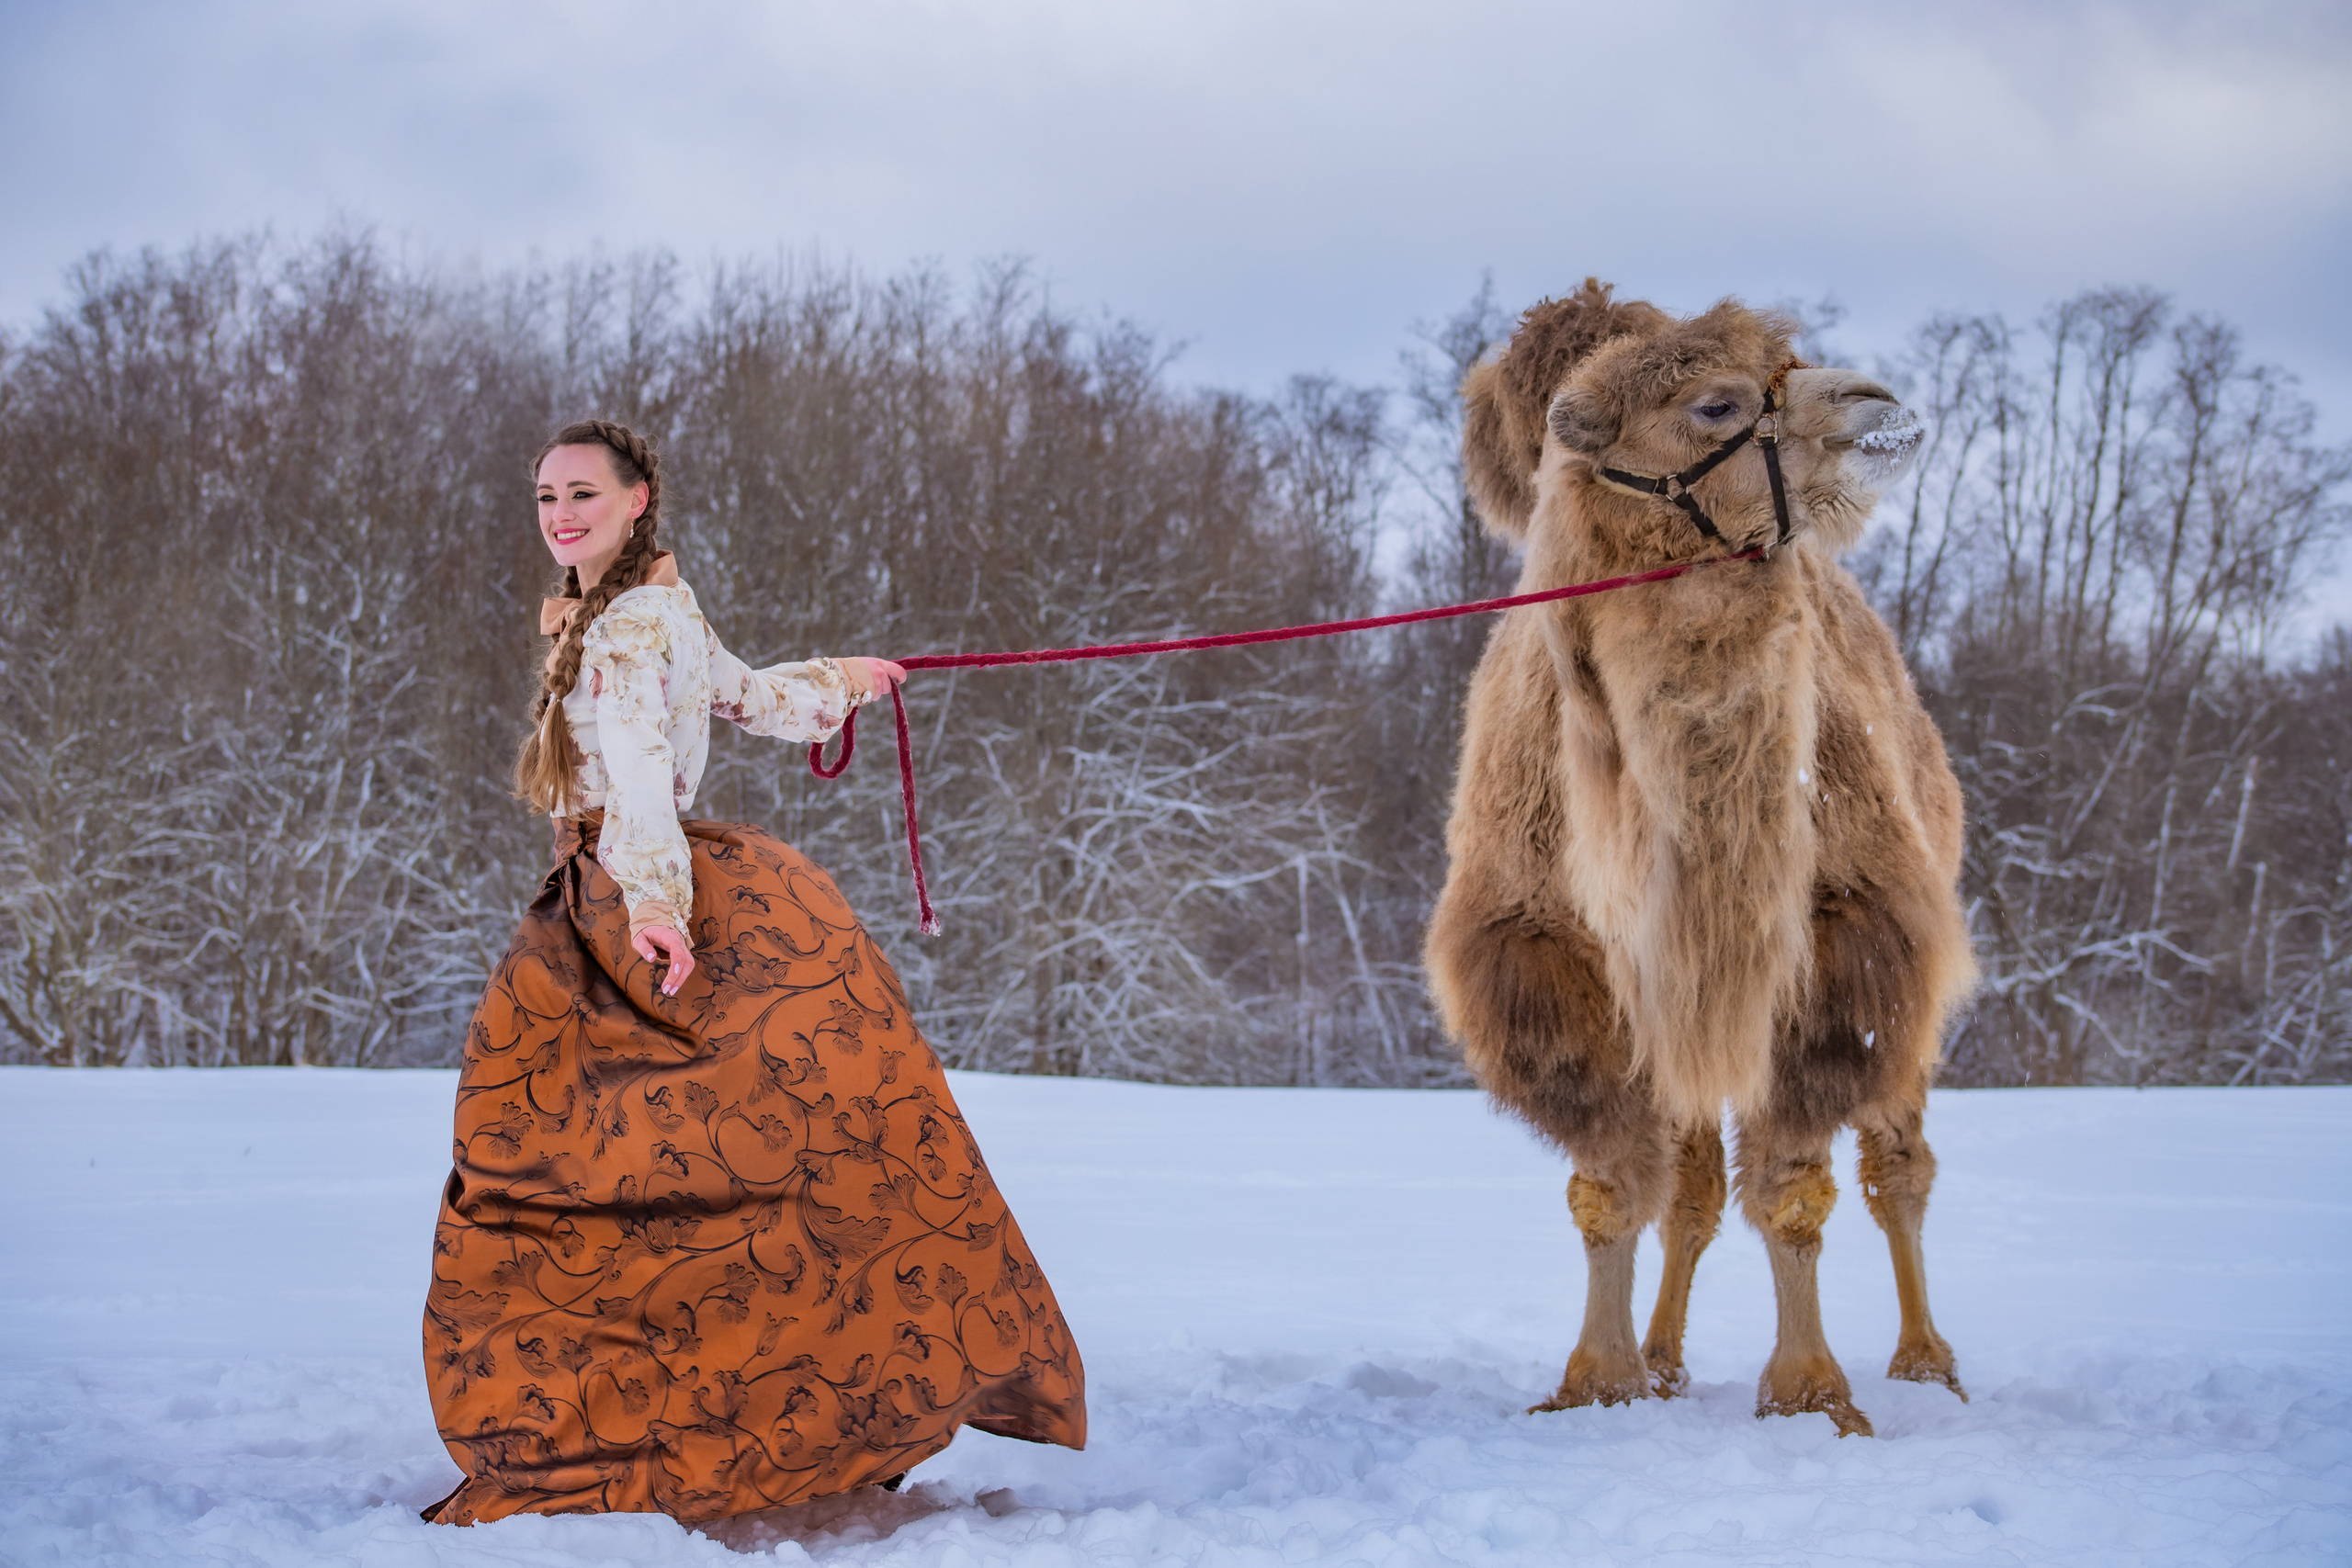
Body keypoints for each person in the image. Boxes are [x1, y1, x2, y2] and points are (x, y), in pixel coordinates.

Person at [421, 420, 1086, 1528]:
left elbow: (638, 773)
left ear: (639, 500)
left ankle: (613, 1416)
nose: (559, 514)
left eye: (582, 492)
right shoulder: (653, 611)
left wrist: (653, 907)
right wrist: (849, 681)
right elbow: (755, 699)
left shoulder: (632, 629)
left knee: (564, 1163)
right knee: (677, 1158)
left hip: (626, 901)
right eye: (545, 497)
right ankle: (793, 1385)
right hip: (638, 887)